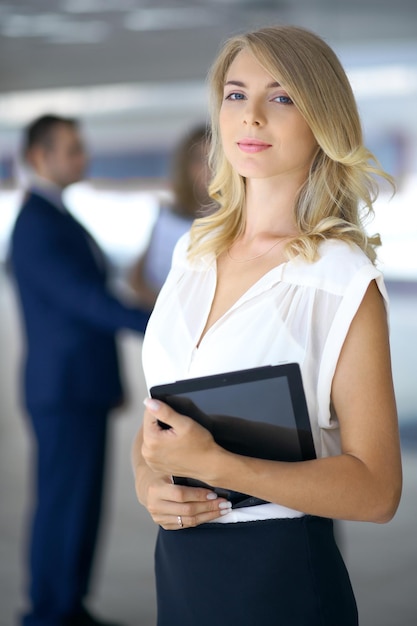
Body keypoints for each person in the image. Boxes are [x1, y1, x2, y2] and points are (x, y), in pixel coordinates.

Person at [131, 25, 402, 626]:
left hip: (279, 578)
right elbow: (157, 419)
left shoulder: (341, 281)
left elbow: (379, 491)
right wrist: (150, 486)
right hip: (179, 570)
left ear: (321, 122)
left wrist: (220, 468)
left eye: (280, 98)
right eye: (235, 95)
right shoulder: (193, 253)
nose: (250, 116)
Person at [10, 114, 150, 626]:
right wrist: (154, 323)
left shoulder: (55, 217)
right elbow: (86, 300)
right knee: (62, 505)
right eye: (71, 149)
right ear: (38, 157)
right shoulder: (36, 226)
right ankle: (49, 612)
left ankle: (68, 607)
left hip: (77, 386)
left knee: (80, 506)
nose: (82, 157)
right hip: (63, 389)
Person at [128, 124, 211, 310]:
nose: (209, 169)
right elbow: (137, 276)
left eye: (216, 158)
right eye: (200, 159)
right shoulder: (167, 215)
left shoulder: (237, 219)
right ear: (186, 166)